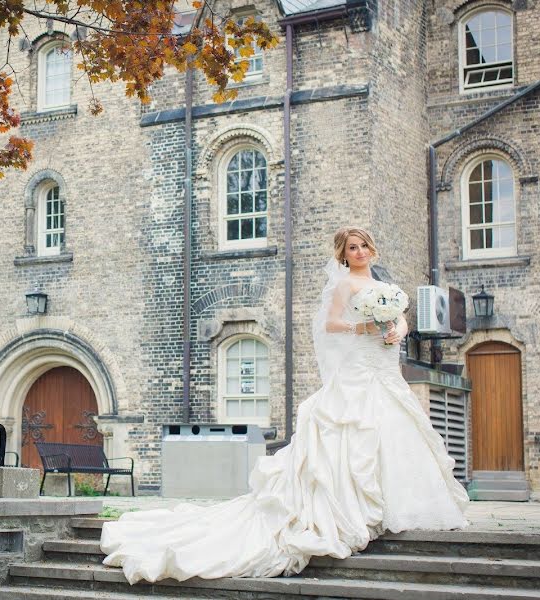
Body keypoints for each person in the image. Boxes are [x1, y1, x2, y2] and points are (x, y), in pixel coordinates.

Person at [100, 226, 469, 584]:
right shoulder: (344, 285)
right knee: (353, 431)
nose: (358, 252)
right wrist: (364, 328)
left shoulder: (386, 288)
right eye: (351, 248)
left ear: (372, 249)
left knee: (396, 429)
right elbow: (332, 325)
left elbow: (402, 320)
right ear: (343, 255)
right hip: (360, 366)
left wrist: (396, 330)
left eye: (363, 246)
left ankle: (401, 504)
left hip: (386, 366)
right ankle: (352, 508)